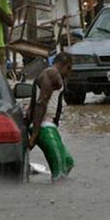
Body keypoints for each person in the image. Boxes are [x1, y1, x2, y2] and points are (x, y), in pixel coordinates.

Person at [28, 52, 74, 181]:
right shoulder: (52, 74)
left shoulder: (49, 73)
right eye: (70, 70)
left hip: (48, 127)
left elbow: (34, 102)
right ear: (68, 67)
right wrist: (35, 135)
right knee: (60, 175)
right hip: (44, 127)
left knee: (68, 162)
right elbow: (41, 102)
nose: (69, 74)